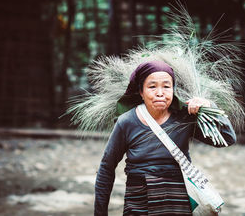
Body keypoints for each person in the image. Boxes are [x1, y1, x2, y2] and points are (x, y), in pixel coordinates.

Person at [94, 60, 236, 216]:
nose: (160, 93)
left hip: (178, 201)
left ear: (173, 90)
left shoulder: (184, 117)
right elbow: (106, 168)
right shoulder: (126, 122)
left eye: (166, 86)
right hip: (140, 203)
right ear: (141, 92)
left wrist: (209, 105)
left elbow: (228, 138)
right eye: (152, 87)